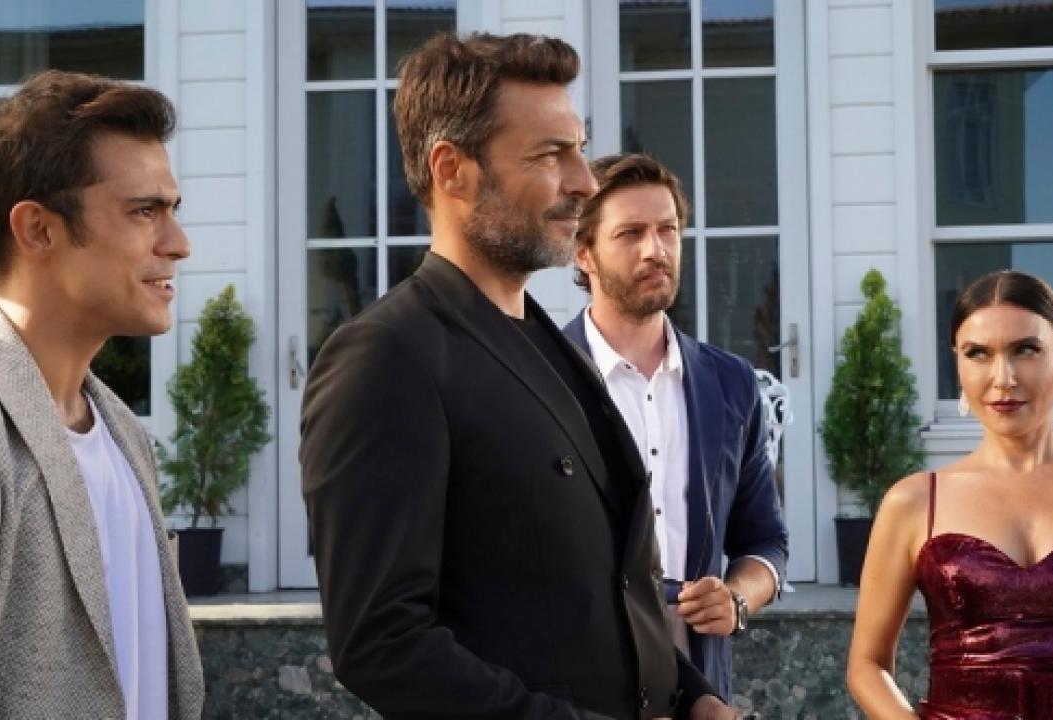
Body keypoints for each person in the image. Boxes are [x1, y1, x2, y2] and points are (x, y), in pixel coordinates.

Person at [300, 33, 734, 720]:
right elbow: (382, 644)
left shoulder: (549, 343)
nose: (584, 181)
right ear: (453, 170)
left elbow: (599, 592)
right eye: (549, 155)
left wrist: (691, 696)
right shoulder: (386, 358)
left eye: (579, 148)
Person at [0, 70, 204, 718]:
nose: (179, 245)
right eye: (145, 211)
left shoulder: (122, 431)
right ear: (37, 230)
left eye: (173, 210)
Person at [847, 270, 1053, 719]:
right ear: (957, 362)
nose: (1003, 378)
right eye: (978, 353)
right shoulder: (915, 501)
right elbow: (867, 665)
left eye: (1026, 350)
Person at [561, 153, 788, 697]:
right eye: (631, 233)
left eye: (667, 230)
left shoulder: (731, 384)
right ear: (584, 253)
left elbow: (766, 542)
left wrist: (736, 599)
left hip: (699, 682)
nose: (655, 249)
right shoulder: (542, 375)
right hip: (575, 684)